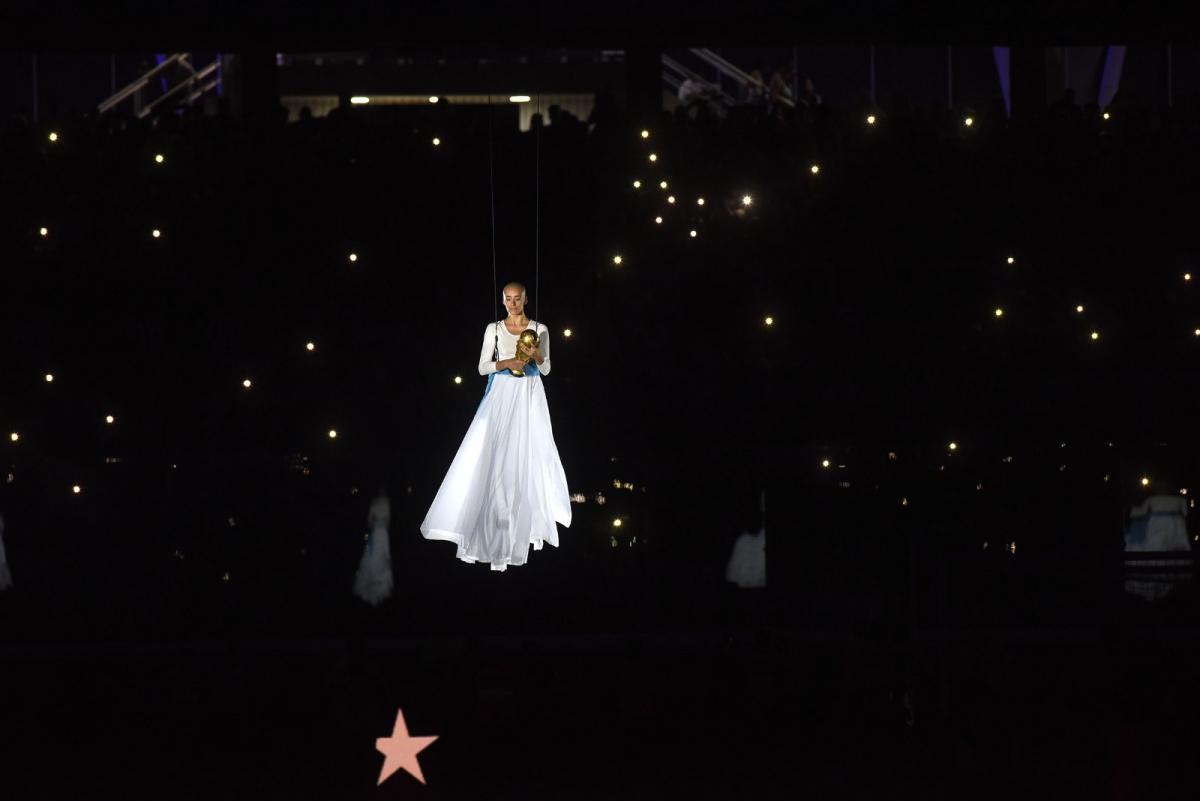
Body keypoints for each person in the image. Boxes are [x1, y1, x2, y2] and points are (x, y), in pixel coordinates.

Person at [419, 282, 571, 571]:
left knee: (527, 455)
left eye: (517, 299)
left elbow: (547, 368)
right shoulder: (493, 328)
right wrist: (507, 361)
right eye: (508, 300)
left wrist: (535, 354)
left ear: (526, 300)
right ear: (503, 301)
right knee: (493, 455)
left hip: (528, 391)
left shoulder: (540, 328)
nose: (512, 304)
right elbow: (482, 367)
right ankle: (489, 527)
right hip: (502, 390)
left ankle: (520, 526)